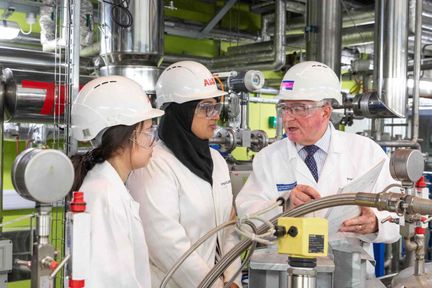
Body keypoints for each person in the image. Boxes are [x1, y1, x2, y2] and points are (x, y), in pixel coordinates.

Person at [235, 61, 400, 275]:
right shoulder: (268, 158)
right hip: (285, 273)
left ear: (325, 111)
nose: (288, 117)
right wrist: (284, 207)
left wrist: (375, 223)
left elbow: (397, 216)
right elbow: (247, 221)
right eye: (285, 108)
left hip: (348, 274)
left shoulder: (365, 152)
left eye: (299, 109)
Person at [127, 61, 241, 288]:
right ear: (181, 112)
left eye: (217, 106)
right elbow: (166, 244)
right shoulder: (154, 164)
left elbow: (229, 229)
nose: (215, 116)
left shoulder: (216, 161)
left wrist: (233, 279)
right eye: (205, 107)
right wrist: (215, 286)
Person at [70, 75, 164, 287]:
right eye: (148, 130)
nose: (153, 141)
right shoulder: (105, 196)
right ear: (125, 137)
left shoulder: (108, 187)